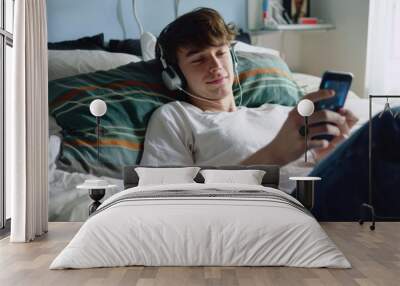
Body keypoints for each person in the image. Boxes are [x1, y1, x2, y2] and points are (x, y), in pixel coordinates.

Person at [140, 8, 400, 221]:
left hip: (331, 189)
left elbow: (322, 166)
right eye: (198, 59)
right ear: (174, 76)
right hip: (289, 210)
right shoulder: (176, 117)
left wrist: (338, 149)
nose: (216, 66)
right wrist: (276, 153)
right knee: (392, 122)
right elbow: (166, 200)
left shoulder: (282, 112)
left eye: (220, 53)